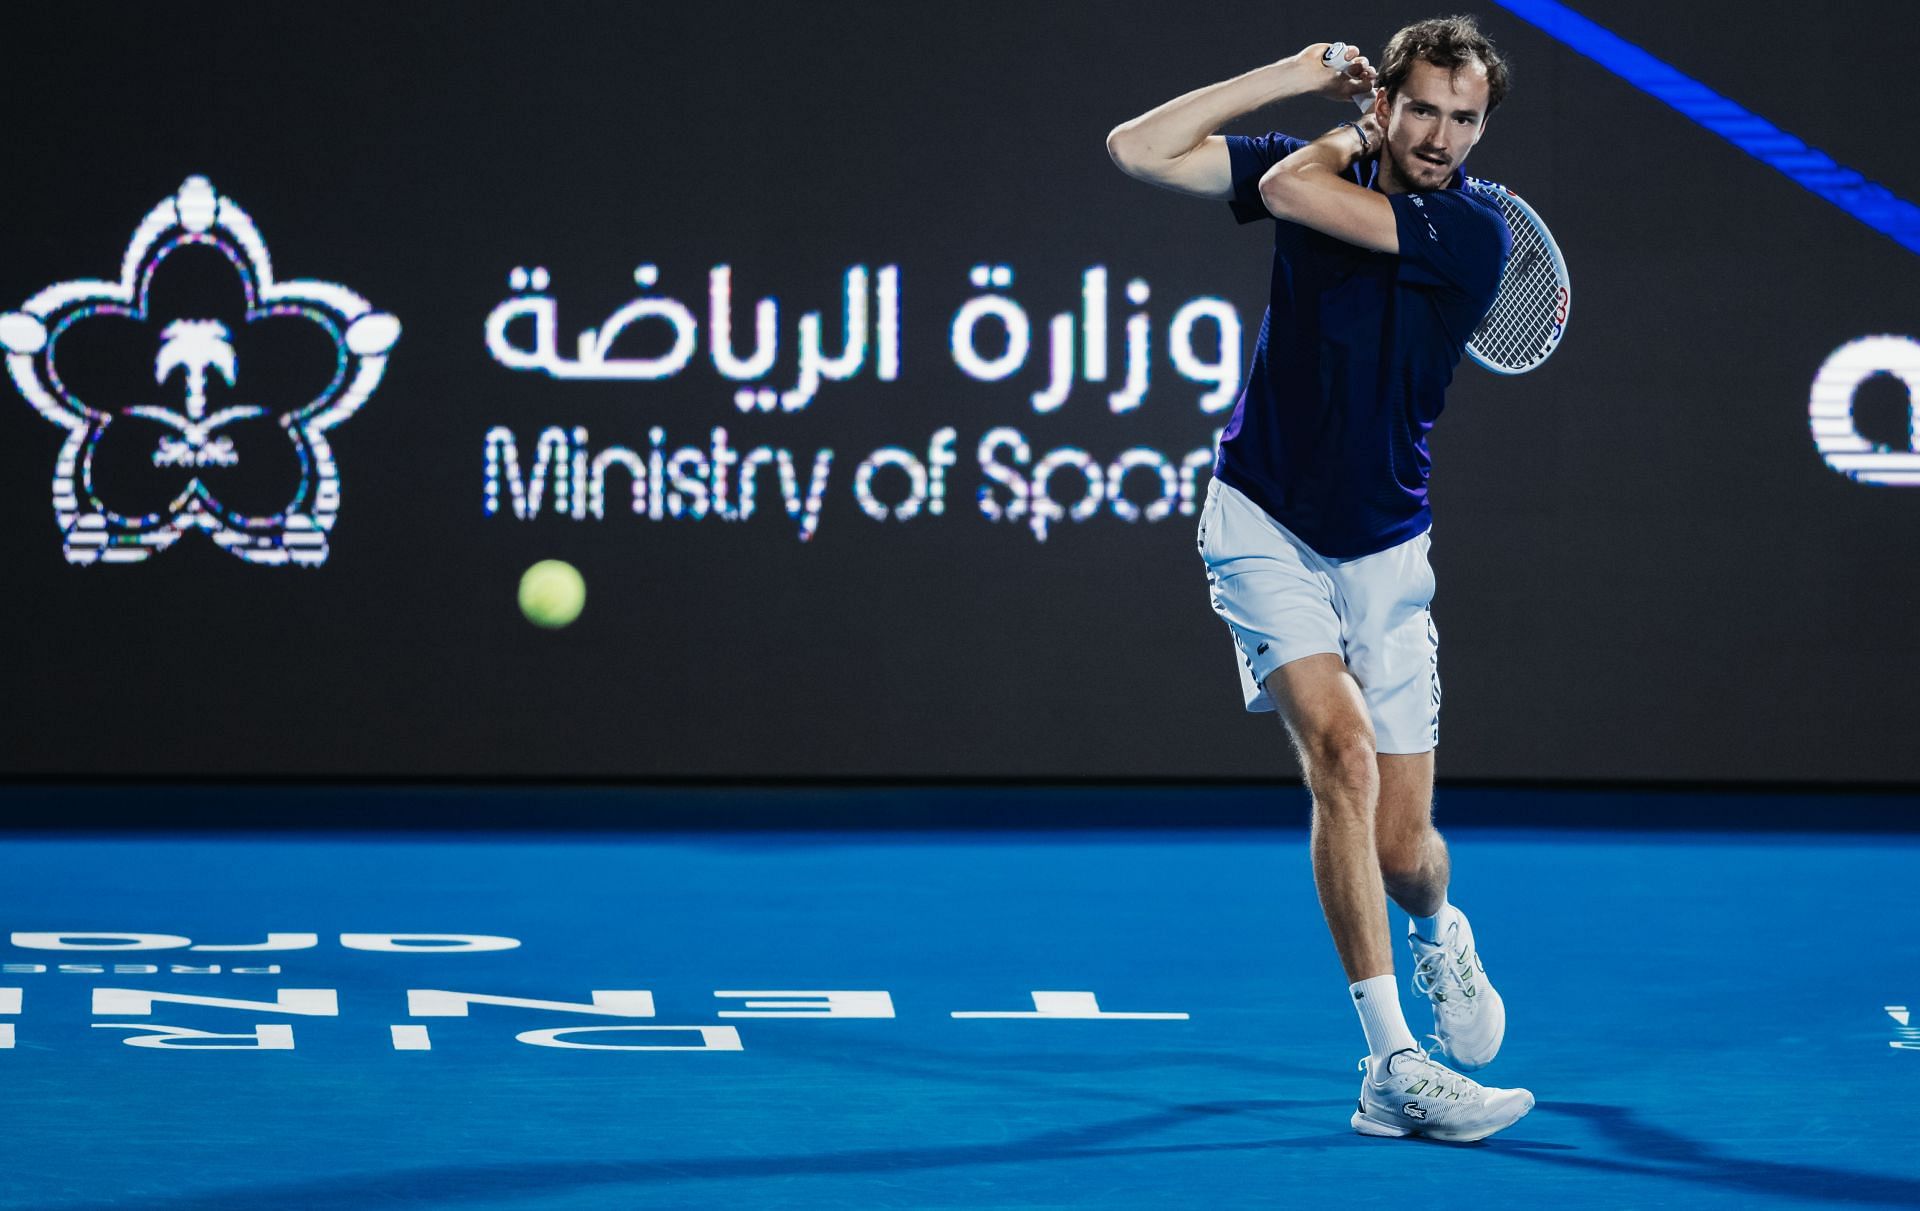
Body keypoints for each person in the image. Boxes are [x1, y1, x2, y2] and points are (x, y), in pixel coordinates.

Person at [1107, 16, 1534, 1142]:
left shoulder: (1469, 232)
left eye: (1465, 116)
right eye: (1425, 108)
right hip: (1262, 519)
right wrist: (1287, 75)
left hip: (1388, 555)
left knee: (1406, 853)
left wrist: (1336, 128)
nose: (1442, 136)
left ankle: (1441, 931)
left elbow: (1298, 192)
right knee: (1337, 752)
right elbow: (1137, 149)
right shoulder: (1327, 155)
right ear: (1388, 103)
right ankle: (1391, 1064)